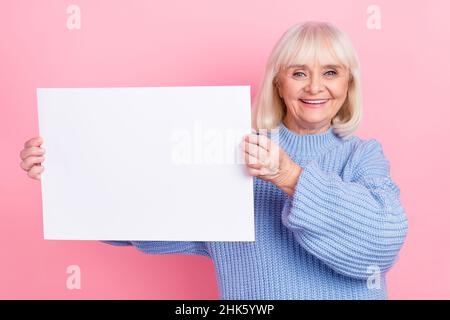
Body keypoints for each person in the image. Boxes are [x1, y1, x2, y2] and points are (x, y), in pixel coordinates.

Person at [19, 21, 408, 299]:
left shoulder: (362, 156)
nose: (315, 86)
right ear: (278, 82)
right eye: (299, 72)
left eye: (331, 72)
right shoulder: (233, 148)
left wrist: (288, 176)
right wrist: (68, 176)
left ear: (348, 84)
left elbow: (381, 245)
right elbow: (152, 219)